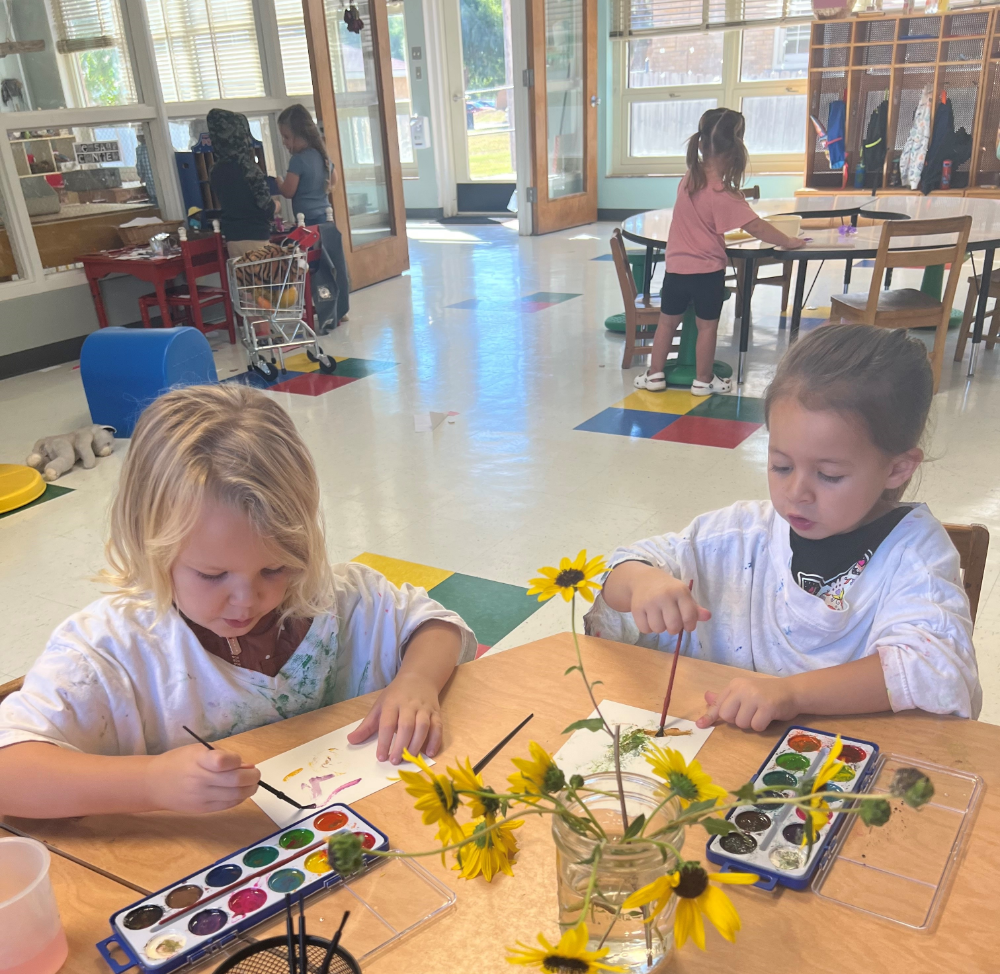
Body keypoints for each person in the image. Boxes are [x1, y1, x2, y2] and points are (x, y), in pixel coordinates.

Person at [0, 386, 476, 818]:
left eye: (276, 567)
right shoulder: (112, 650)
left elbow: (437, 627)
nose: (249, 600)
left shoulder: (340, 599)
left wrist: (416, 681)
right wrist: (150, 784)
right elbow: (9, 770)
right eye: (211, 575)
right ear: (151, 546)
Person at [589, 324, 981, 728]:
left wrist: (791, 693)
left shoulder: (915, 556)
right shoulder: (745, 533)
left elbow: (931, 665)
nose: (797, 492)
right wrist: (642, 582)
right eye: (781, 465)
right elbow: (620, 572)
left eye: (828, 475)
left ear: (897, 468)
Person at [633, 107, 808, 397]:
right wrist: (789, 241)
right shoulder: (723, 195)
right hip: (708, 273)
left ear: (700, 145)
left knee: (666, 322)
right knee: (707, 327)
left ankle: (654, 374)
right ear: (737, 154)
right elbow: (758, 228)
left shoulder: (688, 179)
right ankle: (703, 380)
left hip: (675, 269)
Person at [276, 103, 350, 324]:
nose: (285, 143)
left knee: (310, 269)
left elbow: (289, 191)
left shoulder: (298, 160)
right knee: (332, 266)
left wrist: (277, 181)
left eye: (287, 137)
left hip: (307, 223)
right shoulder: (320, 155)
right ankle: (339, 309)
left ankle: (314, 307)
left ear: (300, 135)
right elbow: (334, 179)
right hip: (326, 221)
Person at [206, 108, 275, 259]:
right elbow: (266, 207)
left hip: (233, 239)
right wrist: (276, 205)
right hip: (256, 237)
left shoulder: (215, 170)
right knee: (262, 281)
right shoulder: (248, 168)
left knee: (243, 281)